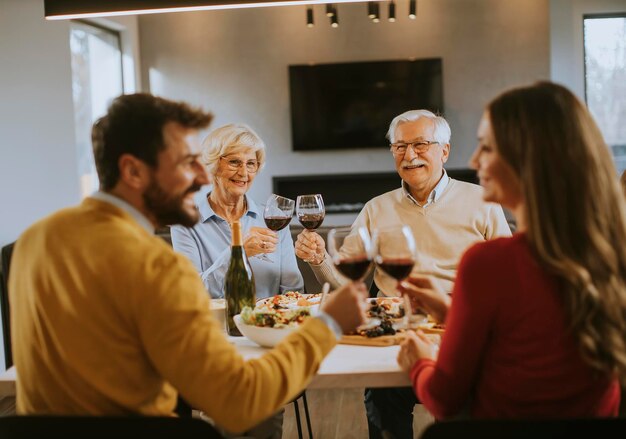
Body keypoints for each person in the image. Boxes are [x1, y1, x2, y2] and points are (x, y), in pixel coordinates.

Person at [9, 93, 367, 435]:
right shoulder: (158, 267)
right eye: (186, 163)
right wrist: (329, 323)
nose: (200, 176)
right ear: (133, 171)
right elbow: (240, 401)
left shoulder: (35, 240)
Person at [397, 81, 626, 420]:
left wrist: (419, 364)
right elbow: (537, 340)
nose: (474, 160)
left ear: (528, 160)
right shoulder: (610, 253)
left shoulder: (490, 263)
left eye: (486, 148)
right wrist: (452, 312)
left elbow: (444, 399)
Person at [295, 109, 511, 438]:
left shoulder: (482, 202)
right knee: (383, 400)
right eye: (400, 147)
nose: (409, 155)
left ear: (445, 150)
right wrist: (319, 258)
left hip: (460, 325)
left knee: (466, 407)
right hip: (392, 328)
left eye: (420, 144)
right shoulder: (376, 208)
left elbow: (506, 277)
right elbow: (346, 283)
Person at [171, 123, 303, 300]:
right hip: (216, 326)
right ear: (212, 165)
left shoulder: (274, 218)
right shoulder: (185, 223)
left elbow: (293, 290)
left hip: (270, 323)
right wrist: (238, 253)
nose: (244, 173)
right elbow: (191, 293)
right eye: (234, 162)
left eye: (251, 164)